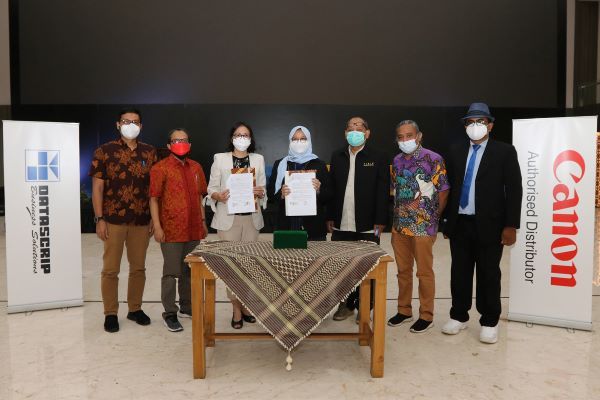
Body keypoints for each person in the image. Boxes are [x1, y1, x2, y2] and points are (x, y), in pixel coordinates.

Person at [441, 102, 522, 344]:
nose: (475, 126)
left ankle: (489, 321)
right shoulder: (455, 151)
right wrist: (447, 222)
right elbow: (450, 188)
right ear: (465, 125)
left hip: (491, 225)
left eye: (481, 121)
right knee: (459, 272)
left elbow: (514, 190)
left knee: (489, 274)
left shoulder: (505, 151)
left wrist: (511, 225)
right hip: (460, 223)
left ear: (490, 125)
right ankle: (459, 315)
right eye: (470, 122)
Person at [89, 108, 157, 333]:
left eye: (135, 122)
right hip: (113, 220)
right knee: (110, 270)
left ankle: (135, 309)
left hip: (141, 220)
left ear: (141, 126)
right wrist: (99, 218)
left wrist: (154, 218)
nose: (131, 125)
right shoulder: (104, 151)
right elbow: (97, 188)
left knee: (138, 268)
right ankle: (110, 313)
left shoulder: (150, 152)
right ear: (118, 125)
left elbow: (154, 190)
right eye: (126, 121)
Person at [387, 120, 449, 333]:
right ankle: (404, 310)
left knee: (424, 272)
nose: (405, 140)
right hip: (400, 226)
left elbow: (443, 190)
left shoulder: (433, 158)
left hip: (423, 226)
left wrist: (433, 217)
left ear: (419, 136)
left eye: (409, 135)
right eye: (401, 137)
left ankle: (426, 315)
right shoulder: (396, 161)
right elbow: (395, 189)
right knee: (403, 271)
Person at [327, 116, 390, 321]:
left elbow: (383, 191)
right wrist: (330, 216)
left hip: (369, 224)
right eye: (350, 127)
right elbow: (332, 188)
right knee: (342, 266)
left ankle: (366, 306)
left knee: (367, 265)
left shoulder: (379, 156)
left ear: (367, 133)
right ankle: (345, 305)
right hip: (341, 222)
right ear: (345, 133)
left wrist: (381, 220)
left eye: (359, 127)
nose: (354, 130)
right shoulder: (337, 156)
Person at [207, 122, 266, 329]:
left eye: (246, 134)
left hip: (251, 220)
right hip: (228, 220)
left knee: (249, 266)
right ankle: (236, 309)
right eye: (238, 134)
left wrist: (261, 192)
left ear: (251, 138)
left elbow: (263, 187)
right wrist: (218, 196)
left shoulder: (258, 159)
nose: (242, 138)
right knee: (232, 267)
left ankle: (246, 305)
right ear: (232, 138)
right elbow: (211, 189)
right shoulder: (220, 159)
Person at [149, 128, 208, 332]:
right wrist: (157, 226)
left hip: (193, 228)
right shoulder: (160, 168)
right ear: (168, 145)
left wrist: (203, 221)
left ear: (189, 144)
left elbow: (200, 197)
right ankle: (170, 312)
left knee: (189, 269)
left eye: (184, 140)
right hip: (171, 229)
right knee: (171, 272)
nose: (180, 144)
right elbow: (154, 199)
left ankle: (186, 306)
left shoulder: (196, 167)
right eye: (176, 140)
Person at [267, 126, 331, 240]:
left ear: (309, 141)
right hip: (286, 225)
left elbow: (329, 195)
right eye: (295, 139)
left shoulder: (319, 164)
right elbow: (271, 194)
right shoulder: (280, 164)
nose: (299, 142)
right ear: (290, 141)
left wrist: (319, 190)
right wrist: (281, 194)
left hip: (314, 227)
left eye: (303, 139)